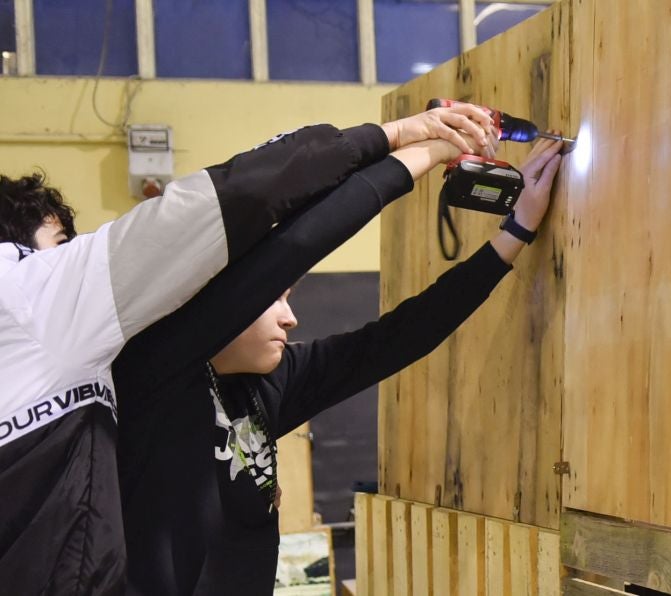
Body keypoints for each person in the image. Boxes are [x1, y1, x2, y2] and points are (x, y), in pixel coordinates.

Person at [0, 104, 495, 594]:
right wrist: (409, 143)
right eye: (61, 243)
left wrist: (508, 239)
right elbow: (269, 222)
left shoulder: (262, 383)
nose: (289, 316)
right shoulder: (135, 353)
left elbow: (390, 341)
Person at [111, 132, 563, 595]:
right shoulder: (156, 375)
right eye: (275, 298)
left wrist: (516, 232)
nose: (290, 318)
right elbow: (299, 241)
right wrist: (421, 144)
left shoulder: (271, 380)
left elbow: (399, 338)